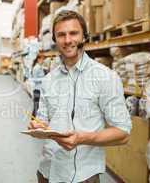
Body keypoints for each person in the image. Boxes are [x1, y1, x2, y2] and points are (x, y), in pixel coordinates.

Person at [29, 10, 132, 183]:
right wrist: (37, 126)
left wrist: (83, 138)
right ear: (54, 40)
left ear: (84, 36)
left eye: (73, 33)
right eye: (61, 35)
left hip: (82, 176)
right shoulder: (48, 80)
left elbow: (123, 133)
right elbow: (43, 120)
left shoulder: (105, 77)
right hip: (46, 171)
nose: (68, 40)